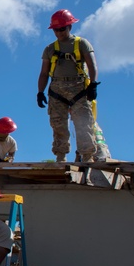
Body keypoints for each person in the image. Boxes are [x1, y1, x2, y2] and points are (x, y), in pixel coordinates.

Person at [36, 9, 99, 163]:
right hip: (57, 89)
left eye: (62, 29)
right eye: (56, 30)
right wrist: (40, 92)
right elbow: (44, 73)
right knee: (58, 125)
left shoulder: (81, 43)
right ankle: (61, 157)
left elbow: (92, 65)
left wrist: (93, 84)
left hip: (78, 88)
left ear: (70, 26)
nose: (59, 33)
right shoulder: (50, 49)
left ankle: (87, 157)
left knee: (83, 123)